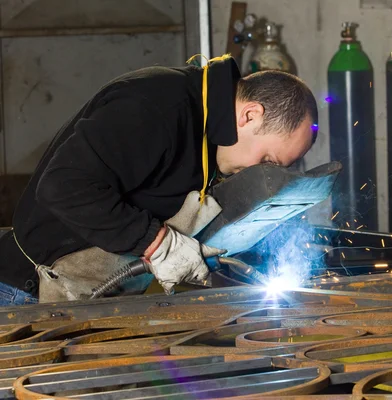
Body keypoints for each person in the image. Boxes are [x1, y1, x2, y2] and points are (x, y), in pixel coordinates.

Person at [0, 54, 318, 305]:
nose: (257, 172)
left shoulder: (211, 134)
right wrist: (158, 244)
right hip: (24, 291)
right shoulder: (157, 106)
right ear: (249, 116)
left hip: (91, 298)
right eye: (266, 160)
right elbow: (63, 185)